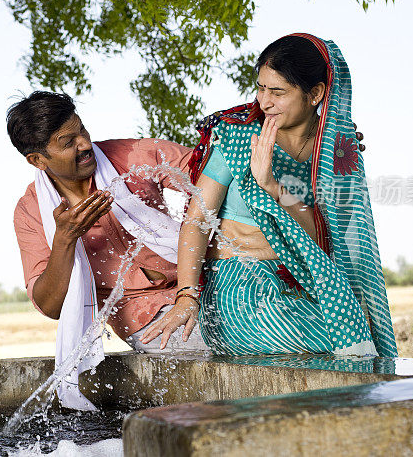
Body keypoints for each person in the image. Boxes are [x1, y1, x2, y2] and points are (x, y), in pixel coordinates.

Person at [141, 33, 397, 357]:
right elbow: (196, 220)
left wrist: (272, 187)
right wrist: (187, 295)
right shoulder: (239, 136)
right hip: (239, 291)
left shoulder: (335, 149)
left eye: (278, 92)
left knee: (361, 339)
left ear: (315, 93)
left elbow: (322, 238)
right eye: (261, 88)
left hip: (304, 286)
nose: (265, 102)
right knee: (336, 346)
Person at [8, 92, 209, 408]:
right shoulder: (32, 212)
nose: (85, 145)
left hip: (200, 279)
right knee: (228, 349)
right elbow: (50, 306)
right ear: (37, 159)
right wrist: (65, 240)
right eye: (67, 142)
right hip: (143, 315)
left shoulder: (129, 156)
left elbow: (210, 172)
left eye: (82, 131)